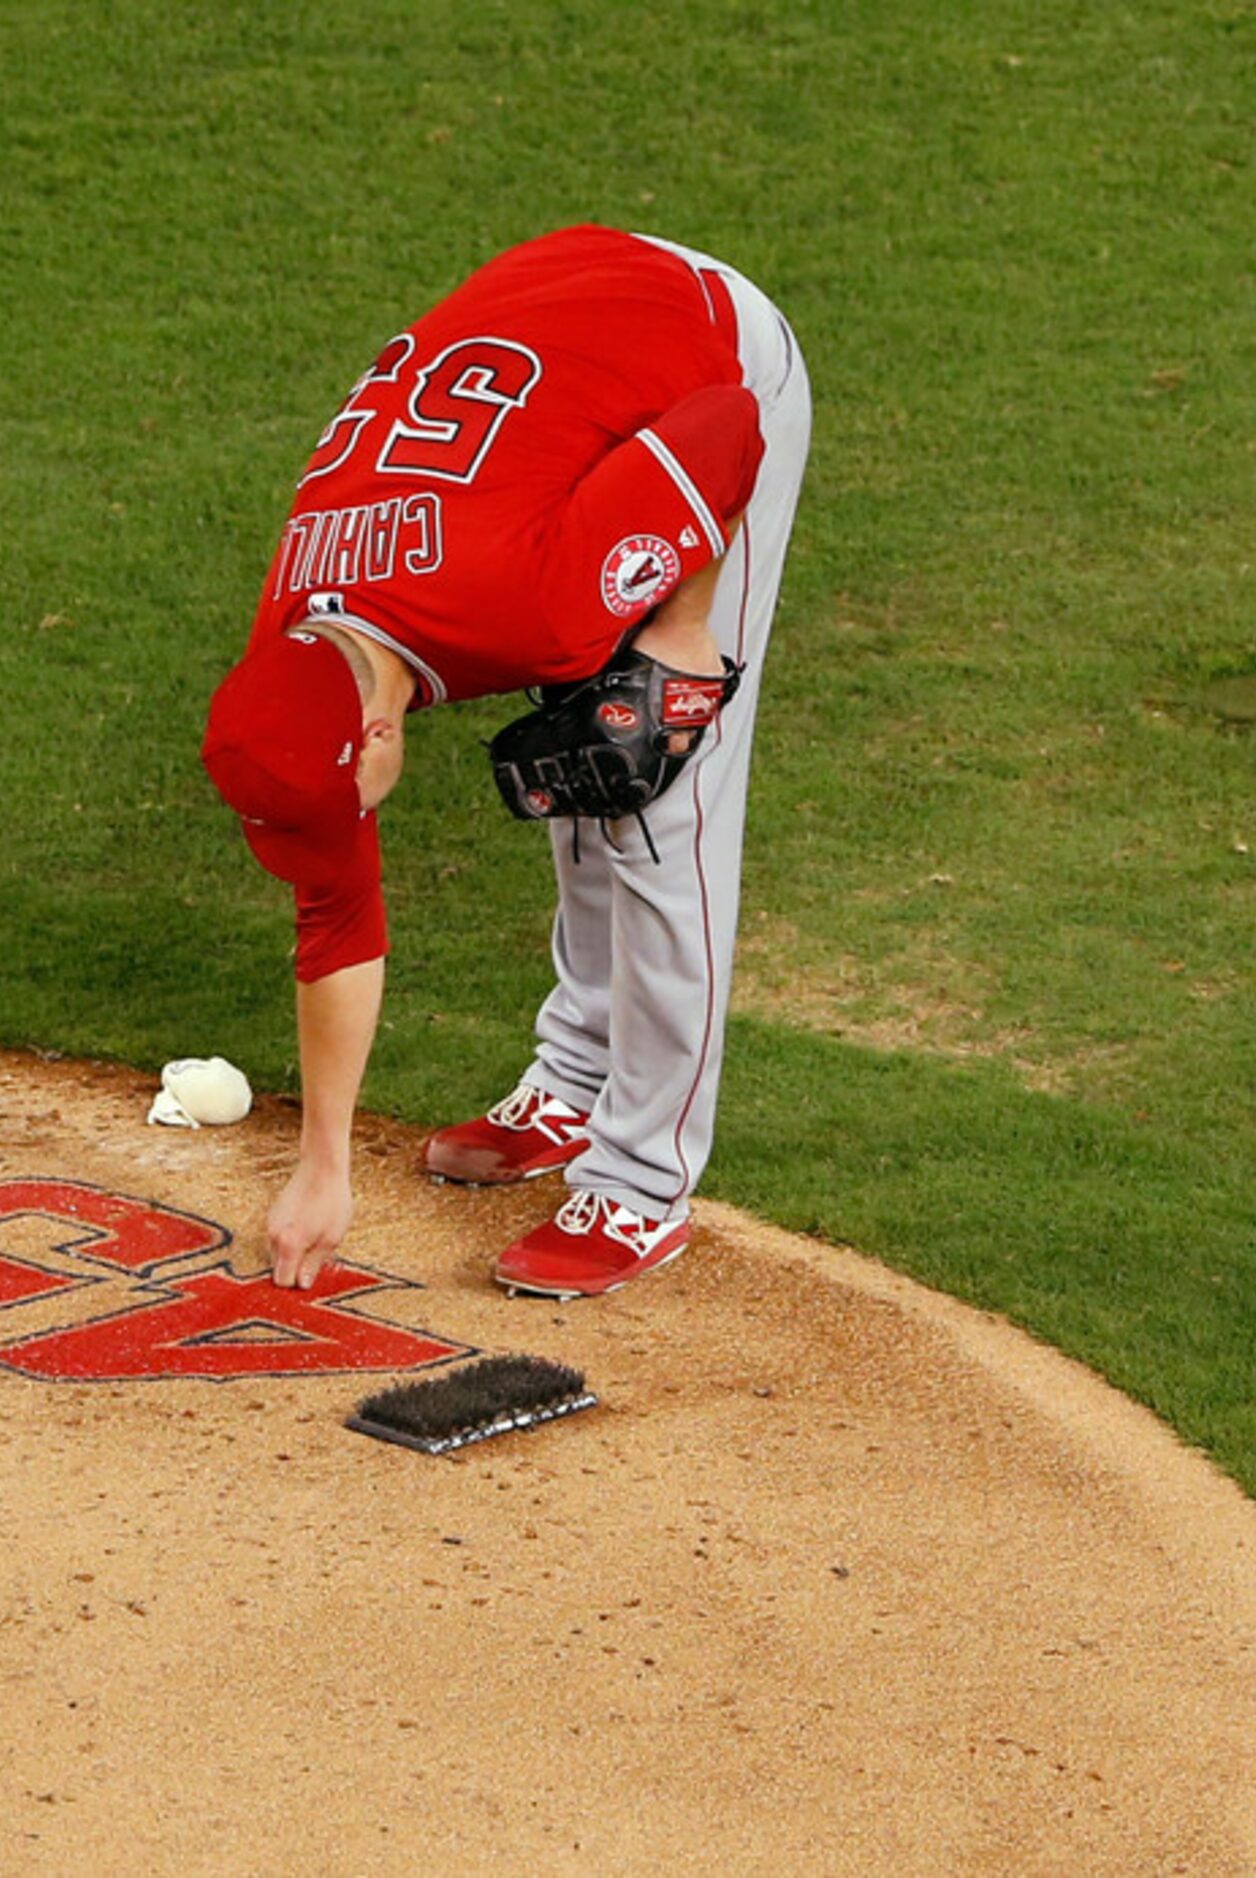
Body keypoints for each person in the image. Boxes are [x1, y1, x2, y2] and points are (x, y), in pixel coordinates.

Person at [199, 225, 810, 1300]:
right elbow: (332, 919)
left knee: (654, 788)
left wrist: (681, 625)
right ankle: (576, 1076)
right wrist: (320, 1167)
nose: (336, 840)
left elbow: (722, 431)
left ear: (379, 738)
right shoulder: (292, 646)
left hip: (701, 342)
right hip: (548, 379)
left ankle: (641, 1182)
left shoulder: (528, 600)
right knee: (579, 753)